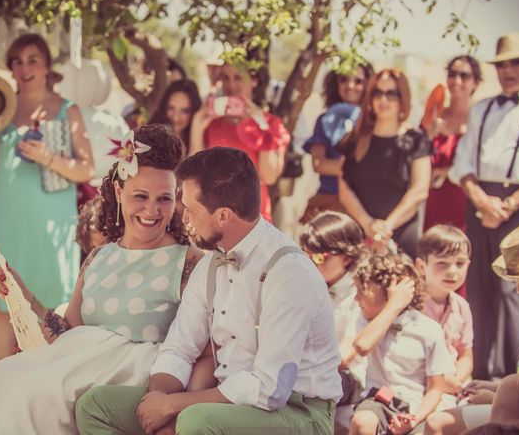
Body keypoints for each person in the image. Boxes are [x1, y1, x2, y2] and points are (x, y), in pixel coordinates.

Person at [0, 124, 211, 434]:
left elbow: (204, 351)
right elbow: (66, 333)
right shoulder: (100, 257)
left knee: (34, 397)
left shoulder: (187, 262)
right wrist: (23, 296)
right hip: (79, 368)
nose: (152, 210)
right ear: (119, 192)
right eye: (140, 196)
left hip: (129, 380)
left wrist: (174, 406)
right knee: (0, 380)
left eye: (164, 198)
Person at [75, 146, 342, 435]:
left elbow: (271, 388)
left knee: (197, 423)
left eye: (191, 210)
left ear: (223, 216)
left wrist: (176, 406)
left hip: (298, 411)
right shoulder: (210, 265)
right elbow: (179, 348)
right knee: (95, 405)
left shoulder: (288, 272)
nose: (184, 219)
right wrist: (159, 403)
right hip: (224, 401)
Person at [0, 33, 95, 365]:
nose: (24, 67)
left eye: (32, 59)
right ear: (10, 69)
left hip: (51, 228)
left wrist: (49, 158)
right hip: (3, 223)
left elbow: (87, 169)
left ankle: (46, 393)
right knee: (3, 308)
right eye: (17, 61)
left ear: (46, 65)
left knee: (54, 308)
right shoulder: (0, 110)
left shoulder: (67, 110)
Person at [448, 32, 519, 379]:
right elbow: (461, 164)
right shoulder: (483, 106)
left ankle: (513, 379)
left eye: (516, 63)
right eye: (502, 64)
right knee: (481, 290)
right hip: (481, 203)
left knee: (516, 293)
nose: (509, 71)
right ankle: (482, 375)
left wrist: (510, 204)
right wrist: (484, 201)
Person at [424, 219, 519, 435]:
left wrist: (498, 396)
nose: (518, 290)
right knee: (437, 422)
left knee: (508, 389)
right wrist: (494, 388)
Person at [348, 252, 453, 435]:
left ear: (391, 289)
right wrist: (393, 306)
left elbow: (436, 388)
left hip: (416, 407)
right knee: (363, 421)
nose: (356, 299)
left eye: (361, 291)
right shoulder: (369, 322)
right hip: (378, 402)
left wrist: (415, 419)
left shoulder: (428, 329)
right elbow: (362, 346)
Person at [338, 69, 432, 257]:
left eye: (392, 94)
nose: (384, 99)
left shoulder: (416, 141)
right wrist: (368, 225)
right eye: (378, 93)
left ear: (403, 98)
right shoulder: (353, 141)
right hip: (360, 236)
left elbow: (420, 190)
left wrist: (385, 227)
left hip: (402, 236)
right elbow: (344, 189)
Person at [188, 63, 291, 222]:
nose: (231, 85)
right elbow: (194, 174)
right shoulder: (212, 123)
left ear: (253, 81)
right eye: (226, 78)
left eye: (238, 78)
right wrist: (197, 125)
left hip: (253, 218)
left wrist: (260, 123)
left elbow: (269, 176)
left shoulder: (270, 123)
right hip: (215, 218)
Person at [299, 211, 367, 406]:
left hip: (348, 376)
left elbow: (344, 357)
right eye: (306, 255)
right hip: (306, 369)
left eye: (319, 258)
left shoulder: (361, 292)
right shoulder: (306, 283)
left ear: (346, 258)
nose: (311, 263)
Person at [300, 64, 373, 223]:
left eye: (358, 81)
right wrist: (361, 169)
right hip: (330, 201)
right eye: (344, 79)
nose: (350, 86)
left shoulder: (375, 122)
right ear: (335, 82)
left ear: (369, 84)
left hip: (365, 207)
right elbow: (319, 164)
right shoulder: (324, 119)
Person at [415, 225, 474, 408]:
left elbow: (465, 353)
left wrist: (458, 378)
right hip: (417, 385)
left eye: (460, 263)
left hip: (452, 386)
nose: (452, 272)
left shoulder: (462, 306)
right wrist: (442, 380)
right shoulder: (411, 305)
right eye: (442, 263)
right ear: (421, 266)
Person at [423, 56, 482, 234]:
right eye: (452, 74)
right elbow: (415, 162)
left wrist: (446, 171)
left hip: (467, 202)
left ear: (476, 82)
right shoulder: (433, 117)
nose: (456, 81)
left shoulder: (479, 120)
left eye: (464, 76)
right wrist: (428, 136)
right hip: (433, 203)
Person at [148, 79, 202, 156]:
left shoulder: (201, 136)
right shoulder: (152, 136)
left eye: (185, 111)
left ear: (194, 112)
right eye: (171, 108)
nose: (176, 117)